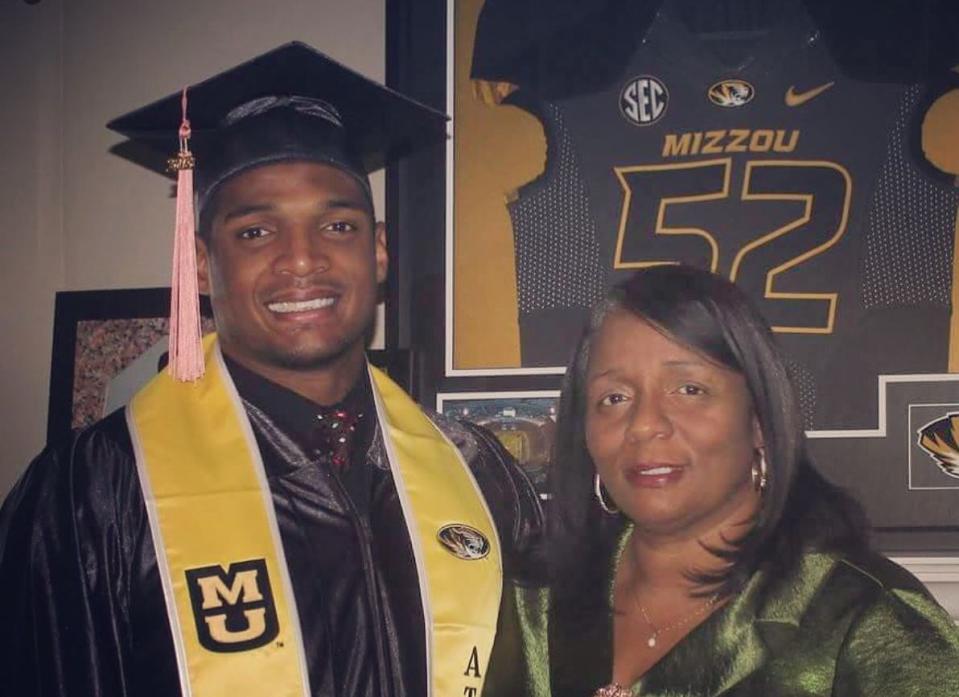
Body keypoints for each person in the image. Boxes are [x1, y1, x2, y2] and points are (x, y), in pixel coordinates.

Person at [0, 42, 541, 697]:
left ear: (378, 251)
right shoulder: (94, 494)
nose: (302, 259)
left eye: (337, 226)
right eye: (256, 233)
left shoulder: (478, 469)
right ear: (200, 264)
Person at [501, 265, 959, 696]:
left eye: (689, 390)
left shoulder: (865, 621)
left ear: (759, 420)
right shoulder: (529, 605)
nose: (644, 424)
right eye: (614, 397)